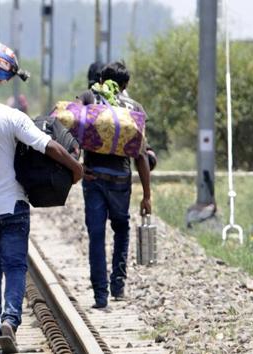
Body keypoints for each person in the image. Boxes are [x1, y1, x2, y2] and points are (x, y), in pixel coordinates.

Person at [0, 57, 83, 353]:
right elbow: (48, 145)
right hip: (11, 205)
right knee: (15, 266)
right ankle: (10, 320)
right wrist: (76, 169)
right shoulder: (11, 116)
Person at [76, 61, 152, 309]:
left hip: (93, 177)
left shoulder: (89, 96)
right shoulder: (135, 108)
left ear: (100, 80)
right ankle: (118, 284)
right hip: (120, 179)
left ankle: (100, 294)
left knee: (96, 236)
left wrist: (75, 166)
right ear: (125, 85)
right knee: (122, 229)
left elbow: (72, 127)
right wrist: (147, 196)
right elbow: (141, 155)